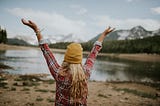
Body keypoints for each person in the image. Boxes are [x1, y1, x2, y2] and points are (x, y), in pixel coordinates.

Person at [21, 18, 114, 106]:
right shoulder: (86, 72)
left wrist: (36, 30)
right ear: (80, 59)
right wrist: (103, 35)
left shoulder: (59, 73)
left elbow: (46, 51)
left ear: (66, 57)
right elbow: (93, 53)